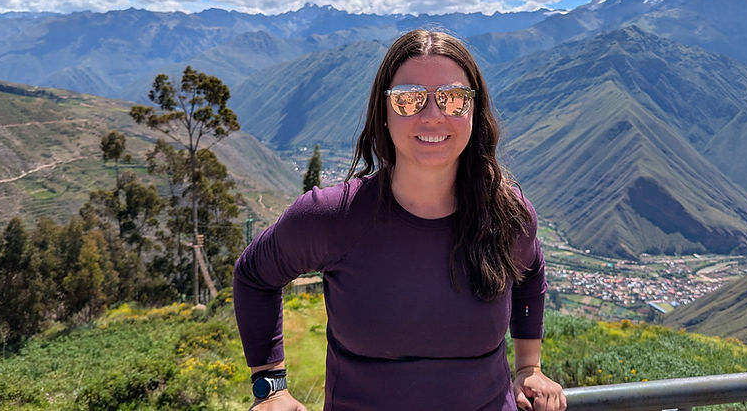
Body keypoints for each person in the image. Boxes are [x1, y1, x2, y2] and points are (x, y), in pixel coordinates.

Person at [233, 29, 567, 411]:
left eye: (453, 99)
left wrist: (529, 365)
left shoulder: (507, 216)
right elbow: (254, 275)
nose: (432, 115)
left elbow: (530, 270)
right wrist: (270, 387)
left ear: (474, 110)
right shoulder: (332, 217)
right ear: (384, 112)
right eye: (409, 100)